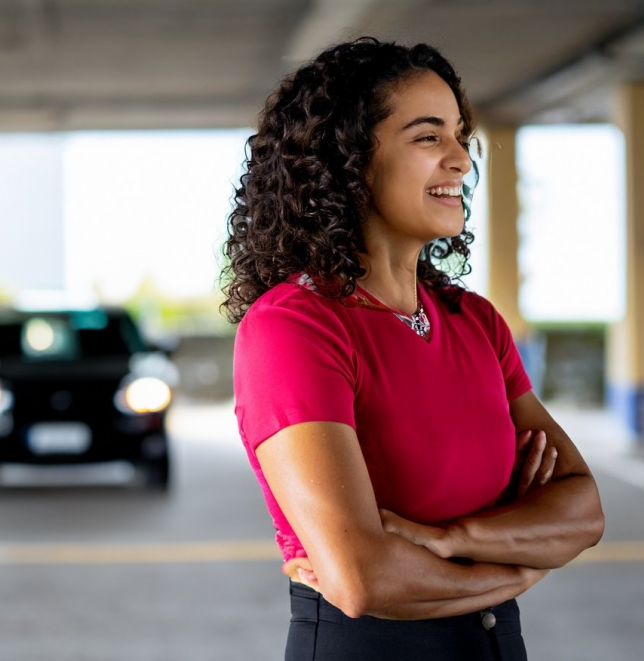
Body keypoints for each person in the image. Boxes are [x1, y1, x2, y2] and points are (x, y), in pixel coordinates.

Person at [222, 37, 605, 660]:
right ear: (346, 159)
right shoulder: (295, 327)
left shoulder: (474, 321)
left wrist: (449, 539)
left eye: (460, 134)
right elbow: (361, 576)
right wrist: (517, 566)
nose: (460, 159)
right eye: (429, 137)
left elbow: (582, 511)